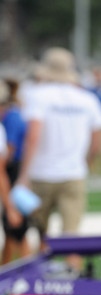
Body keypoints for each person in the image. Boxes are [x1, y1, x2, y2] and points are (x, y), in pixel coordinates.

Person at [17, 47, 101, 272]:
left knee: (41, 233)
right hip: (73, 173)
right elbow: (97, 138)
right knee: (72, 236)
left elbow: (33, 136)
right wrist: (86, 162)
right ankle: (73, 280)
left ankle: (41, 282)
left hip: (41, 173)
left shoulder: (36, 95)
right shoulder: (86, 98)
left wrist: (23, 175)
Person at [0, 78, 31, 264]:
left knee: (16, 230)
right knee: (15, 232)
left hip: (13, 172)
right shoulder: (15, 113)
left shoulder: (11, 116)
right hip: (15, 171)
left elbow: (9, 151)